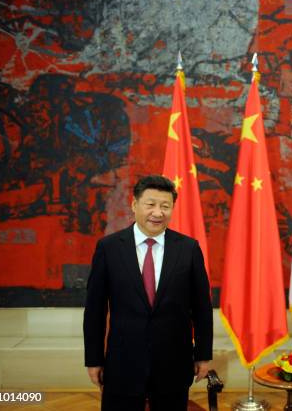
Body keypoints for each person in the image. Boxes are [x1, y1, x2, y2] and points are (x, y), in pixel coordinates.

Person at [83, 175, 213, 411]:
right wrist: (93, 359)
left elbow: (202, 308)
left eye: (165, 206)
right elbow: (95, 309)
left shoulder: (188, 248)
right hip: (123, 362)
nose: (158, 212)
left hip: (174, 362)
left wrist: (203, 355)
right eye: (150, 204)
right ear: (134, 205)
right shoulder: (109, 248)